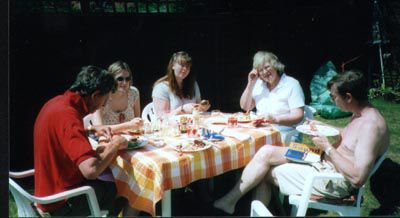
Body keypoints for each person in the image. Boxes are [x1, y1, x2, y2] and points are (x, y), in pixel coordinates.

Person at [214, 70, 389, 214]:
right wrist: (321, 126)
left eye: (334, 96)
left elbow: (358, 178)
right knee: (267, 151)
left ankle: (232, 203)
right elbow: (350, 138)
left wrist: (327, 148)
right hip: (321, 160)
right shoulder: (360, 113)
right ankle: (230, 202)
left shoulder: (370, 126)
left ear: (348, 97)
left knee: (263, 173)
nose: (332, 99)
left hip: (332, 180)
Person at [33, 65, 138, 216]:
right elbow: (91, 171)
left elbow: (61, 135)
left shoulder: (56, 103)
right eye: (104, 100)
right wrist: (115, 144)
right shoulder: (68, 118)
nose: (103, 105)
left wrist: (90, 130)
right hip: (62, 203)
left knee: (115, 180)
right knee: (130, 187)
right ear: (95, 95)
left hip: (47, 193)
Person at [240, 51, 305, 142]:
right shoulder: (258, 84)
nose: (265, 72)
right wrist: (250, 83)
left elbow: (298, 115)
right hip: (259, 132)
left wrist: (275, 119)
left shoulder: (292, 84)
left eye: (267, 67)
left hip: (283, 134)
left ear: (275, 65)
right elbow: (245, 106)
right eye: (261, 70)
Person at [152, 51, 209, 117]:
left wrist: (202, 107)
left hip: (191, 125)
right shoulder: (161, 87)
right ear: (172, 66)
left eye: (187, 66)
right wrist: (182, 109)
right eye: (182, 65)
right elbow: (161, 117)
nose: (185, 69)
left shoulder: (193, 84)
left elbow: (198, 108)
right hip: (171, 126)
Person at [92, 60, 142, 133]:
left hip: (131, 139)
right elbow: (98, 128)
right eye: (120, 79)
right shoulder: (102, 95)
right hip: (108, 139)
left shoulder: (133, 93)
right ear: (111, 79)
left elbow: (137, 121)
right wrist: (128, 125)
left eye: (127, 79)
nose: (124, 83)